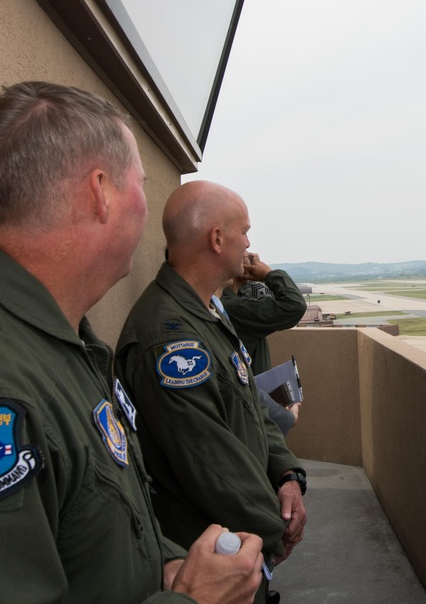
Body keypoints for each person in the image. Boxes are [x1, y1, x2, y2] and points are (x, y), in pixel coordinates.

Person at [0, 82, 263, 604]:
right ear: (100, 192)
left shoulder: (57, 346)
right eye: (141, 183)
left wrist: (162, 568)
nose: (147, 207)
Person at [116, 181, 308, 604]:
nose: (249, 243)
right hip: (209, 553)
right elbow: (210, 458)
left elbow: (252, 406)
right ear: (217, 238)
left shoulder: (207, 314)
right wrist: (276, 531)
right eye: (244, 231)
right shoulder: (169, 337)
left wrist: (286, 474)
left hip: (240, 538)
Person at [220, 253, 307, 435]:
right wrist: (268, 274)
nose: (254, 259)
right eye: (247, 256)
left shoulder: (232, 302)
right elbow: (293, 305)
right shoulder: (235, 308)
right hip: (253, 416)